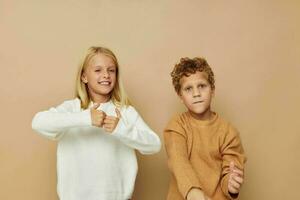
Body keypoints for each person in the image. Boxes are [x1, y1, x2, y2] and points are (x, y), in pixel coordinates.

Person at [32, 46, 161, 200]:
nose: (106, 75)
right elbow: (38, 123)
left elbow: (154, 145)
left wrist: (121, 129)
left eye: (111, 70)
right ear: (84, 77)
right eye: (98, 70)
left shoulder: (125, 112)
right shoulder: (72, 109)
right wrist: (86, 118)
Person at [164, 57, 246, 200]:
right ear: (180, 96)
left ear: (212, 90)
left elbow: (230, 171)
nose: (196, 93)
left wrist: (231, 185)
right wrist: (194, 193)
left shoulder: (228, 132)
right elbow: (179, 162)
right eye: (188, 89)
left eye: (202, 86)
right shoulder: (176, 125)